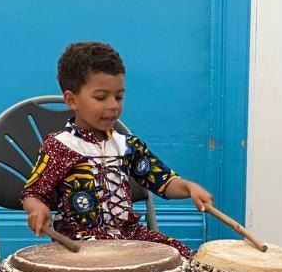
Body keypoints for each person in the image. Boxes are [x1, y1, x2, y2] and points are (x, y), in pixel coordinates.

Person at [22, 41, 213, 258]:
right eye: (101, 97)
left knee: (181, 256)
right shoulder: (60, 147)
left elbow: (163, 182)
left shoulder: (127, 146)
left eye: (119, 96)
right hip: (82, 240)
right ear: (71, 100)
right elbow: (33, 193)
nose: (113, 105)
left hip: (128, 235)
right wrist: (36, 208)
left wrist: (188, 187)